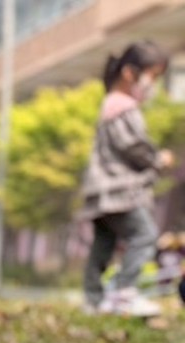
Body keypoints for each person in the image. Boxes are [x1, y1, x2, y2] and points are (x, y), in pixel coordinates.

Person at [81, 42, 173, 318]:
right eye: (152, 76)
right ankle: (123, 293)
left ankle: (93, 300)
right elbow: (132, 145)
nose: (153, 84)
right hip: (119, 190)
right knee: (145, 235)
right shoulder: (123, 106)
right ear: (130, 73)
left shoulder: (110, 103)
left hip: (102, 191)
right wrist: (158, 159)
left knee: (104, 243)